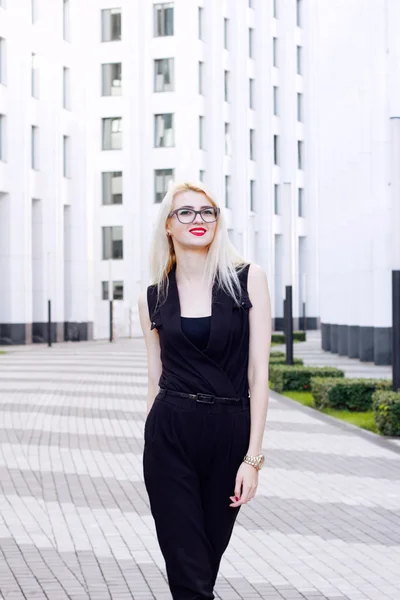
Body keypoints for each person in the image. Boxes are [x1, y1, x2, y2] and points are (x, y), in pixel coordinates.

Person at [138, 181, 271, 600]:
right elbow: (154, 376)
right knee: (188, 571)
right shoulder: (152, 297)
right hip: (170, 435)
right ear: (168, 227)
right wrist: (151, 440)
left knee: (206, 562)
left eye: (207, 211)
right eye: (186, 213)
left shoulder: (248, 280)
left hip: (229, 434)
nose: (199, 220)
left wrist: (252, 459)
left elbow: (259, 374)